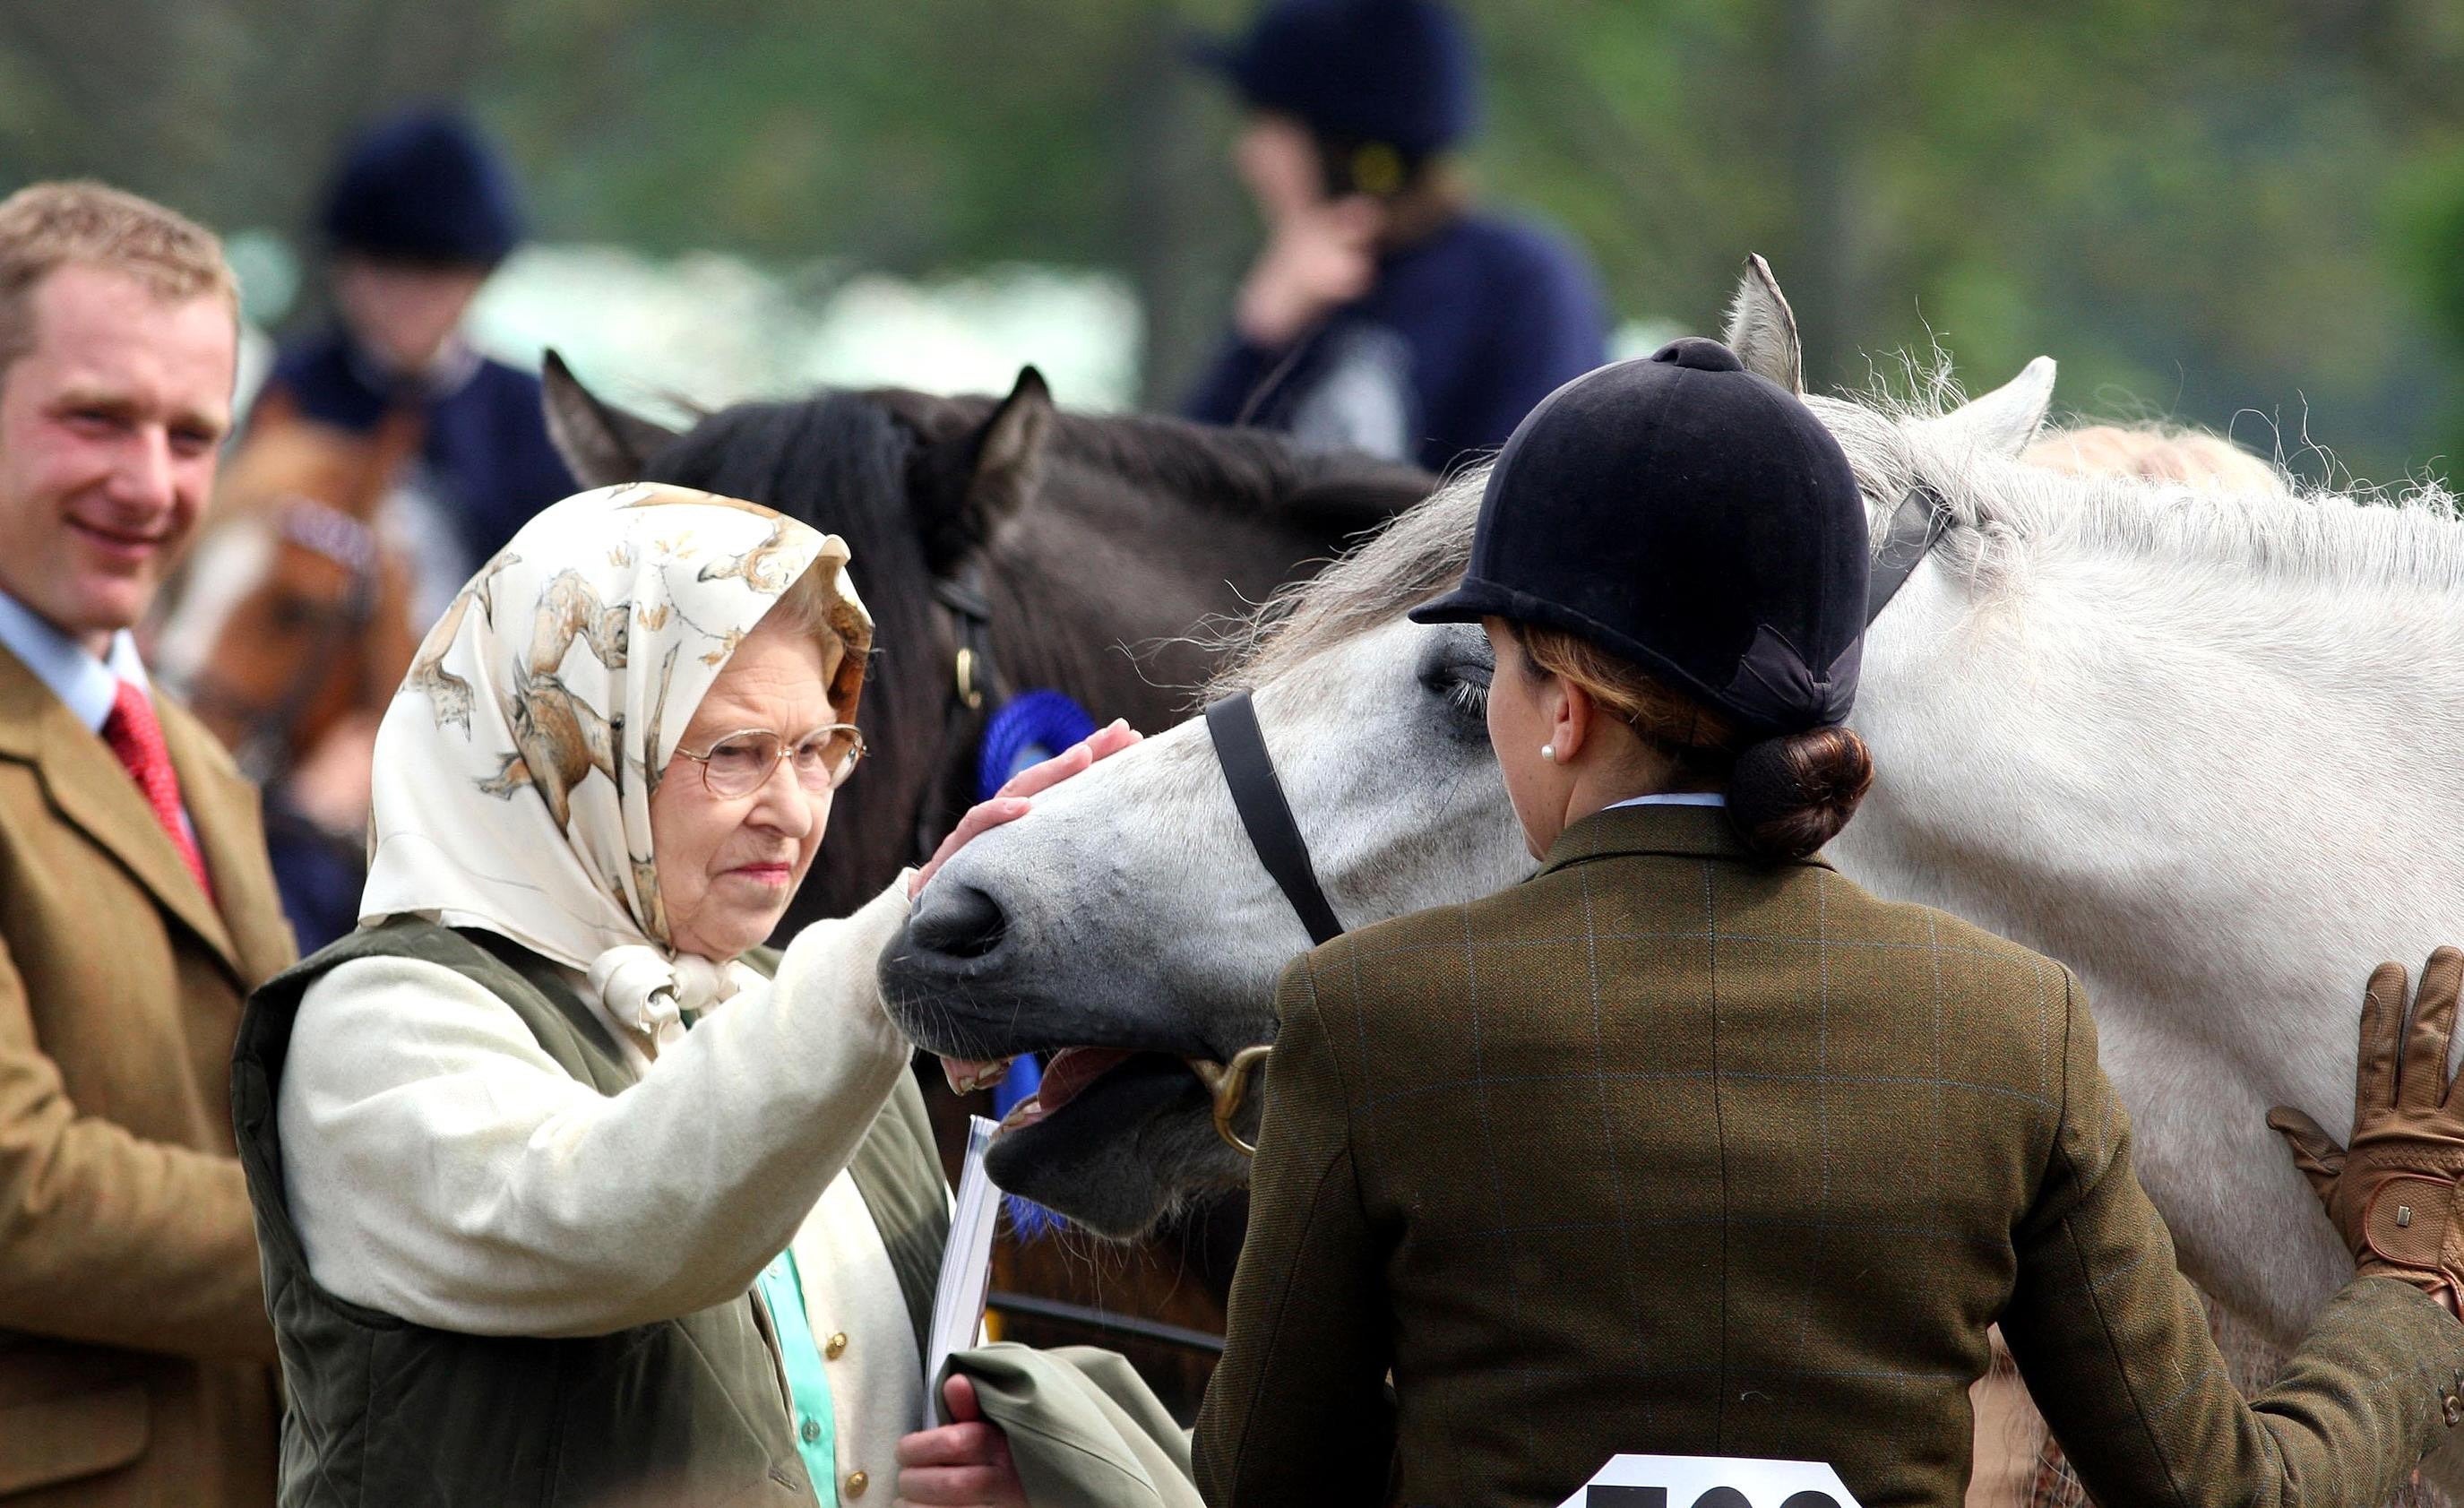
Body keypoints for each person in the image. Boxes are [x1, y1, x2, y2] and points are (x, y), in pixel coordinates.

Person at [1193, 340, 2464, 1507]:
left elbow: (1264, 1477)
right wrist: (2405, 1279)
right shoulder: (2012, 1025)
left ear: (1563, 702)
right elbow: (2226, 1490)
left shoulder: (1362, 1020)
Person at [232, 483, 1135, 1506]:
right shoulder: (378, 1020)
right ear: (568, 745)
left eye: (816, 750)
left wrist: (990, 1465)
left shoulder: (811, 1001)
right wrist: (905, 939)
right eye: (736, 755)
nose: (793, 812)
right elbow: (601, 1222)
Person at [0, 183, 294, 1504]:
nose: (152, 484)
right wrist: (402, 1234)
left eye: (192, 433)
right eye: (96, 418)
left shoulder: (194, 755)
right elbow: (21, 1191)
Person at [1183, 0, 1607, 473]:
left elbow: (1519, 502)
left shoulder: (1517, 284)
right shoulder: (1294, 295)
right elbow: (1180, 504)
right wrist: (1257, 338)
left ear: (1338, 152)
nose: (1247, 155)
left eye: (1271, 129)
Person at [247, 104, 574, 609]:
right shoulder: (292, 388)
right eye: (385, 268)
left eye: (435, 273)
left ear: (480, 276)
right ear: (343, 266)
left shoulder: (531, 418)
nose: (407, 299)